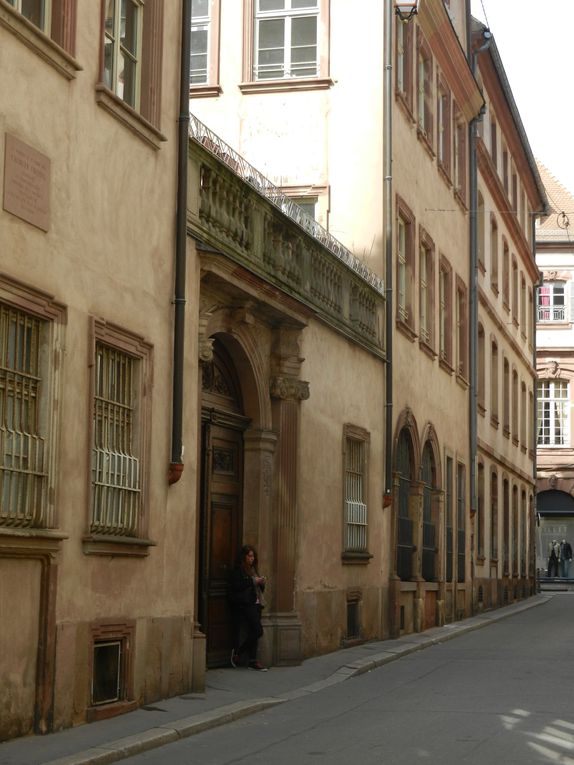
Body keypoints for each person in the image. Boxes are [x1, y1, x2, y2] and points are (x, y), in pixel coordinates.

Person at [228, 544, 268, 671]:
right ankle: (238, 653)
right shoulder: (239, 570)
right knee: (258, 631)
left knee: (254, 631)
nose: (252, 559)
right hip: (245, 604)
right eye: (249, 556)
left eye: (253, 556)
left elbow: (259, 589)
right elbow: (236, 586)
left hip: (256, 604)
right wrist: (252, 581)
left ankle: (252, 660)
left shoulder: (253, 569)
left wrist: (261, 583)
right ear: (244, 557)